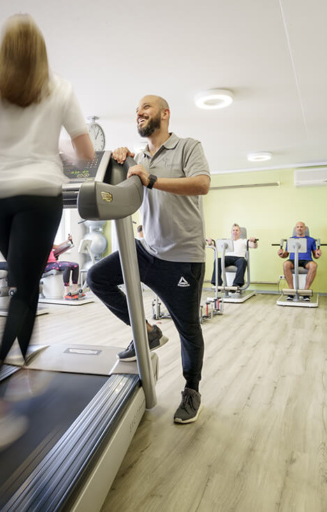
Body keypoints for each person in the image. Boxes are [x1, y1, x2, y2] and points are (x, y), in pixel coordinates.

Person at [0, 13, 94, 452]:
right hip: (39, 194)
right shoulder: (59, 87)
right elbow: (85, 153)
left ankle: (25, 366)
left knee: (20, 283)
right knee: (25, 290)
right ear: (41, 52)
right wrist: (63, 151)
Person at [87, 95, 210, 424]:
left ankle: (191, 390)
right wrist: (120, 161)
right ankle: (146, 330)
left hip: (183, 258)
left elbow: (201, 185)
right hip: (147, 250)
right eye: (136, 111)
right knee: (96, 277)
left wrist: (151, 178)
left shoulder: (187, 147)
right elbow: (119, 189)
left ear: (165, 114)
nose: (139, 113)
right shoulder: (138, 157)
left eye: (146, 108)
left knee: (188, 329)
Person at [277, 220, 322, 300]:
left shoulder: (311, 240)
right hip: (293, 260)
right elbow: (286, 254)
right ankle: (291, 291)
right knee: (285, 264)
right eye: (298, 227)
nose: (299, 228)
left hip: (306, 260)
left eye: (301, 227)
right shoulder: (290, 240)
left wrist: (318, 254)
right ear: (295, 229)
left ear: (305, 229)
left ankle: (305, 291)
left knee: (314, 265)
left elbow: (315, 256)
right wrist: (281, 254)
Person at [207, 224, 257, 291]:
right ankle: (217, 283)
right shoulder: (227, 241)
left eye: (237, 230)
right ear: (231, 232)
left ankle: (236, 284)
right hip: (227, 258)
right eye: (233, 230)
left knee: (243, 261)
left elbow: (254, 246)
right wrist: (210, 243)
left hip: (239, 258)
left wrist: (254, 241)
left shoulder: (244, 241)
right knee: (218, 260)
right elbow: (216, 247)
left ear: (240, 232)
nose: (235, 232)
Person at [44, 234, 82, 300]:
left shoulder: (48, 242)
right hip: (47, 265)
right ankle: (66, 292)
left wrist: (67, 240)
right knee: (67, 266)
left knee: (76, 265)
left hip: (54, 263)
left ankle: (74, 290)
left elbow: (57, 246)